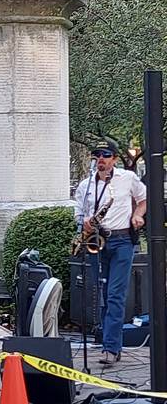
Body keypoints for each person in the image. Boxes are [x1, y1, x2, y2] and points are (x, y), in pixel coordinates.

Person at [74, 139, 146, 366]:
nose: (101, 159)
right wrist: (84, 222)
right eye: (98, 155)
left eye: (106, 155)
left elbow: (143, 199)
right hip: (97, 240)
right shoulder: (86, 186)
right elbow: (78, 215)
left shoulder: (127, 178)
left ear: (114, 158)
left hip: (123, 240)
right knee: (101, 293)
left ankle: (111, 348)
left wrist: (138, 215)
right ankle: (107, 341)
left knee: (115, 294)